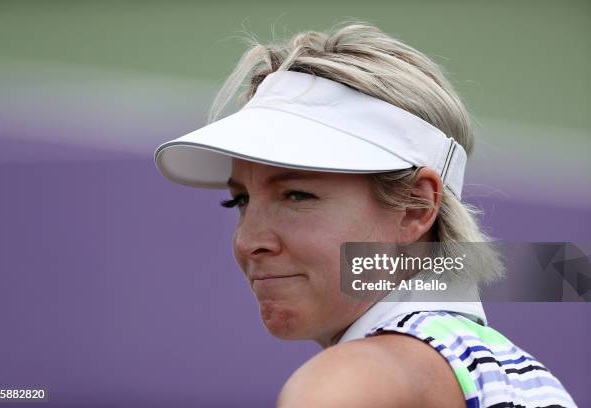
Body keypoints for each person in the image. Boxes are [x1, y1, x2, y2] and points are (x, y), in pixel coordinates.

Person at [154, 21, 577, 408]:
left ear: (415, 207)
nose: (248, 241)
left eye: (298, 195)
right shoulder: (514, 376)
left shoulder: (346, 381)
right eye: (240, 200)